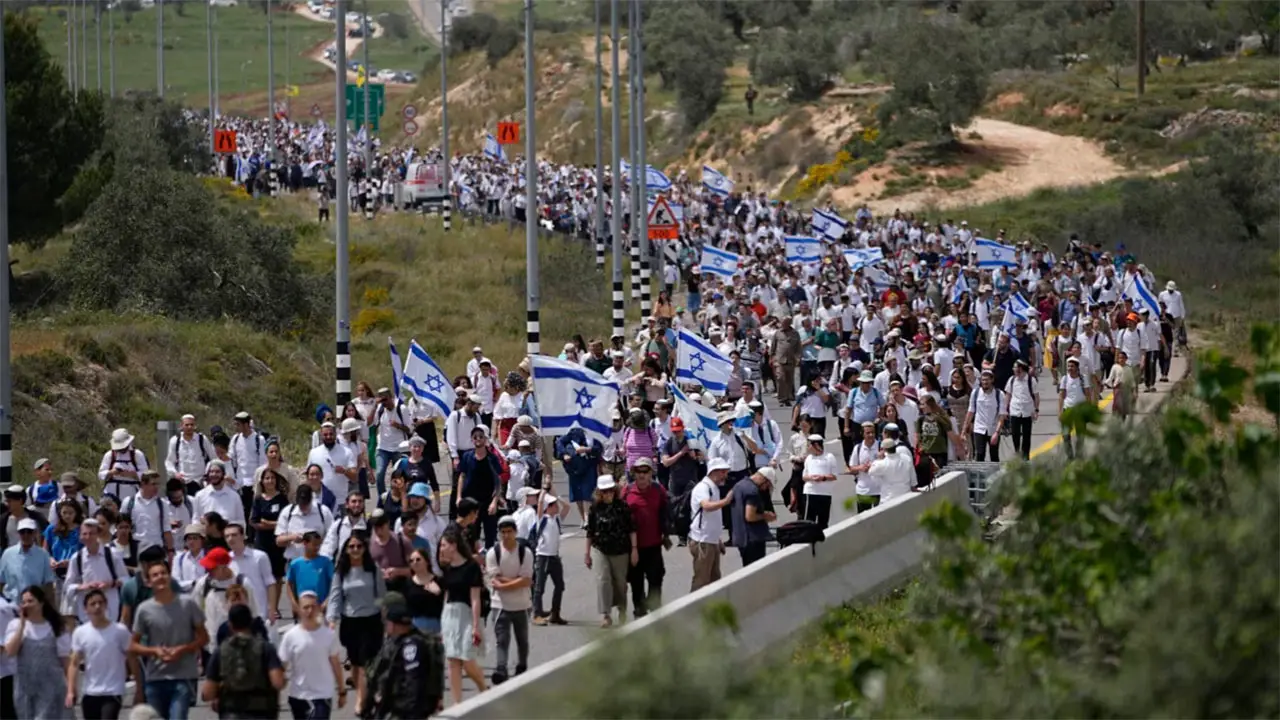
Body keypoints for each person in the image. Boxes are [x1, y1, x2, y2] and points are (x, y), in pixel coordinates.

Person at [130, 560, 209, 719]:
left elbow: (204, 637)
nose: (160, 577)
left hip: (183, 677)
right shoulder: (144, 609)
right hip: (155, 678)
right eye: (155, 575)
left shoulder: (188, 604)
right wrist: (154, 651)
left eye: (163, 573)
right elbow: (133, 645)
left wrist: (183, 649)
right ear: (148, 581)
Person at [326, 532, 385, 711]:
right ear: (346, 550)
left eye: (359, 546)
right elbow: (335, 596)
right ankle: (363, 695)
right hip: (351, 622)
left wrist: (387, 617)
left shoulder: (372, 569)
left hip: (372, 621)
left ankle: (368, 695)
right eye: (351, 547)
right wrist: (332, 620)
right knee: (357, 662)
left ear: (365, 548)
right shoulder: (341, 571)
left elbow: (381, 594)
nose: (356, 549)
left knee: (368, 662)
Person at [364, 595, 445, 719]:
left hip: (404, 712)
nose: (384, 622)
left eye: (387, 621)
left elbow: (414, 685)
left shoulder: (411, 645)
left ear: (394, 624)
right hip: (392, 708)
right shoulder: (394, 642)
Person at [202, 604, 285, 719]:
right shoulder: (265, 648)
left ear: (230, 624)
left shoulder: (221, 651)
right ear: (251, 622)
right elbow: (278, 682)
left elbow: (207, 693)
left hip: (231, 712)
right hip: (261, 712)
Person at [276, 590, 345, 720]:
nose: (309, 611)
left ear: (319, 608)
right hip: (298, 695)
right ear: (299, 610)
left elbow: (335, 663)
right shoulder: (290, 637)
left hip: (322, 695)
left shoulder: (328, 635)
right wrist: (276, 692)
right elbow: (282, 666)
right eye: (305, 607)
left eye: (313, 607)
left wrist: (342, 690)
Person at [437, 526, 486, 707]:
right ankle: (458, 704)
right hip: (449, 615)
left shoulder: (471, 566)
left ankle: (483, 686)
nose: (441, 549)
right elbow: (446, 596)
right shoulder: (447, 568)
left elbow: (475, 598)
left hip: (466, 615)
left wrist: (475, 625)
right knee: (452, 661)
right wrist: (442, 624)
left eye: (444, 545)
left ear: (454, 545)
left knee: (467, 659)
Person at [4, 585, 70, 719]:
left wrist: (71, 688)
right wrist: (22, 625)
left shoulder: (55, 626)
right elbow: (10, 652)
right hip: (25, 689)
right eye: (23, 602)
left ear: (41, 603)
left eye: (30, 601)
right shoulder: (15, 625)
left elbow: (66, 661)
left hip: (52, 687)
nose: (26, 605)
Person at [66, 588, 133, 719]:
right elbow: (74, 663)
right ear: (85, 609)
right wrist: (71, 690)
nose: (97, 606)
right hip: (90, 691)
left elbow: (132, 658)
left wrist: (139, 688)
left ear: (106, 604)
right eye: (93, 604)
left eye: (100, 603)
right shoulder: (80, 632)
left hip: (113, 691)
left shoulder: (120, 631)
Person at [485, 516, 533, 685]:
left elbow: (527, 580)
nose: (506, 535)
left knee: (522, 639)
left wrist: (504, 584)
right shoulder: (493, 553)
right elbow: (494, 577)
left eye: (509, 532)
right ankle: (501, 668)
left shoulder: (525, 553)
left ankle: (522, 665)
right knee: (502, 639)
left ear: (515, 532)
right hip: (500, 605)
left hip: (521, 604)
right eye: (503, 532)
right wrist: (516, 581)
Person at [622, 458, 670, 618]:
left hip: (654, 544)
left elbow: (667, 509)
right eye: (638, 472)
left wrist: (667, 531)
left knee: (656, 578)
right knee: (636, 582)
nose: (641, 475)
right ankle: (640, 611)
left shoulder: (658, 490)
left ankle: (654, 607)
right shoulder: (627, 491)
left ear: (651, 473)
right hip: (633, 546)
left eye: (645, 471)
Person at [583, 475, 634, 628]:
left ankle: (622, 609)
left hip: (620, 549)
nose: (608, 494)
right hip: (600, 549)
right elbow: (590, 531)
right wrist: (586, 554)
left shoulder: (622, 507)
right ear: (600, 493)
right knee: (603, 580)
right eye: (605, 491)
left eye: (610, 490)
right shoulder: (594, 508)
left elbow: (632, 529)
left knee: (620, 582)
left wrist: (635, 549)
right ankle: (605, 614)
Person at [64, 518, 129, 623]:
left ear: (98, 534)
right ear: (80, 536)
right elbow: (68, 587)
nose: (88, 537)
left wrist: (110, 584)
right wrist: (84, 586)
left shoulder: (112, 554)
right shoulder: (77, 558)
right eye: (85, 534)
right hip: (86, 613)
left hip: (110, 609)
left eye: (92, 533)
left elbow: (126, 579)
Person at [688, 459, 735, 592]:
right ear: (714, 472)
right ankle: (693, 607)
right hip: (703, 542)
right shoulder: (703, 488)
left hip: (711, 540)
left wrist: (717, 540)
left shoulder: (713, 487)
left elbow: (712, 519)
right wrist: (726, 501)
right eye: (723, 472)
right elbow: (706, 506)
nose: (725, 475)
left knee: (714, 579)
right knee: (701, 580)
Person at [529, 492, 570, 626]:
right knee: (539, 587)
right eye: (552, 505)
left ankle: (555, 613)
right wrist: (543, 493)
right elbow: (540, 504)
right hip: (543, 556)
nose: (556, 506)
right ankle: (536, 614)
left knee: (560, 585)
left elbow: (567, 507)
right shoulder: (542, 519)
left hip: (554, 556)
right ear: (548, 507)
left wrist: (557, 497)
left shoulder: (557, 519)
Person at [0, 518, 55, 604]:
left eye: (29, 531)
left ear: (35, 533)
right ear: (18, 533)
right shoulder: (8, 554)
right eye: (22, 532)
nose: (26, 535)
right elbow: (1, 581)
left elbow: (48, 584)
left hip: (34, 605)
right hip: (11, 605)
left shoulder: (43, 555)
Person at [731, 468, 777, 567]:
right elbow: (750, 516)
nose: (765, 488)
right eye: (767, 485)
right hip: (753, 538)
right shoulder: (753, 491)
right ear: (763, 479)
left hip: (740, 536)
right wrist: (765, 516)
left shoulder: (739, 485)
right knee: (755, 571)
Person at [285, 530, 334, 614]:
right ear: (305, 543)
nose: (317, 547)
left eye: (319, 545)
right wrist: (293, 603)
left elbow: (334, 583)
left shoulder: (326, 562)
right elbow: (289, 583)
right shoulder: (296, 564)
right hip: (303, 607)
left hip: (321, 607)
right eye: (314, 544)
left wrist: (327, 601)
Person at [801, 435, 839, 530]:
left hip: (825, 494)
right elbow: (804, 476)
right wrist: (811, 478)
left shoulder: (829, 457)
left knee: (823, 522)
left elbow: (834, 476)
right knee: (809, 521)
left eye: (809, 445)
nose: (807, 447)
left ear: (816, 445)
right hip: (810, 493)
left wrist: (823, 477)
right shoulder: (809, 458)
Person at [403, 547, 444, 634]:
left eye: (418, 559)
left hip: (436, 625)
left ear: (427, 561)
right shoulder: (408, 583)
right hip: (416, 626)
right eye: (411, 561)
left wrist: (438, 593)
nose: (415, 562)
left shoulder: (438, 581)